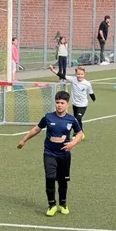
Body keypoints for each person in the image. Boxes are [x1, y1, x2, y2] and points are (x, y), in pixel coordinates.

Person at [16, 88, 84, 216]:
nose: (59, 105)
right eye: (57, 102)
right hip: (49, 153)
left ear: (67, 104)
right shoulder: (48, 117)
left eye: (62, 103)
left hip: (64, 155)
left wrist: (73, 143)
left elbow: (80, 133)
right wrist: (23, 140)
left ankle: (63, 204)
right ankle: (52, 205)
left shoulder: (71, 119)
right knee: (50, 177)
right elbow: (36, 129)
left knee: (62, 180)